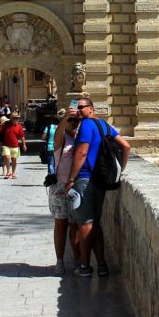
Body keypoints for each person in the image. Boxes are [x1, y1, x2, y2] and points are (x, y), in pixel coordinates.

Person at [65, 99, 131, 278]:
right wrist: (120, 169)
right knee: (95, 222)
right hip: (101, 180)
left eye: (81, 107)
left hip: (85, 179)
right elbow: (126, 146)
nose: (78, 110)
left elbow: (82, 152)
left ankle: (85, 266)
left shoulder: (86, 125)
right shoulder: (103, 124)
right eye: (76, 107)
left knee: (85, 222)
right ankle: (101, 264)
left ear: (91, 109)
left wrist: (71, 179)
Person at [48, 110, 81, 275]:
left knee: (75, 225)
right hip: (60, 187)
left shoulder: (81, 138)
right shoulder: (61, 139)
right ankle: (60, 260)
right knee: (60, 225)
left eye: (77, 120)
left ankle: (77, 260)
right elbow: (58, 134)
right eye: (72, 120)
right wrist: (66, 117)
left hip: (76, 187)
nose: (75, 123)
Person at [0, 110, 26, 179]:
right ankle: (8, 172)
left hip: (15, 146)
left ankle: (13, 173)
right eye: (15, 118)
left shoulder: (19, 126)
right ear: (12, 118)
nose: (17, 119)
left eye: (17, 118)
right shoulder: (6, 124)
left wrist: (24, 144)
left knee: (14, 160)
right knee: (7, 157)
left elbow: (22, 136)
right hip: (6, 145)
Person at [41, 109, 63, 175]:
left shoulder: (49, 127)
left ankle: (51, 176)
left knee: (50, 163)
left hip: (50, 147)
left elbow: (43, 137)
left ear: (52, 121)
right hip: (59, 148)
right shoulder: (61, 127)